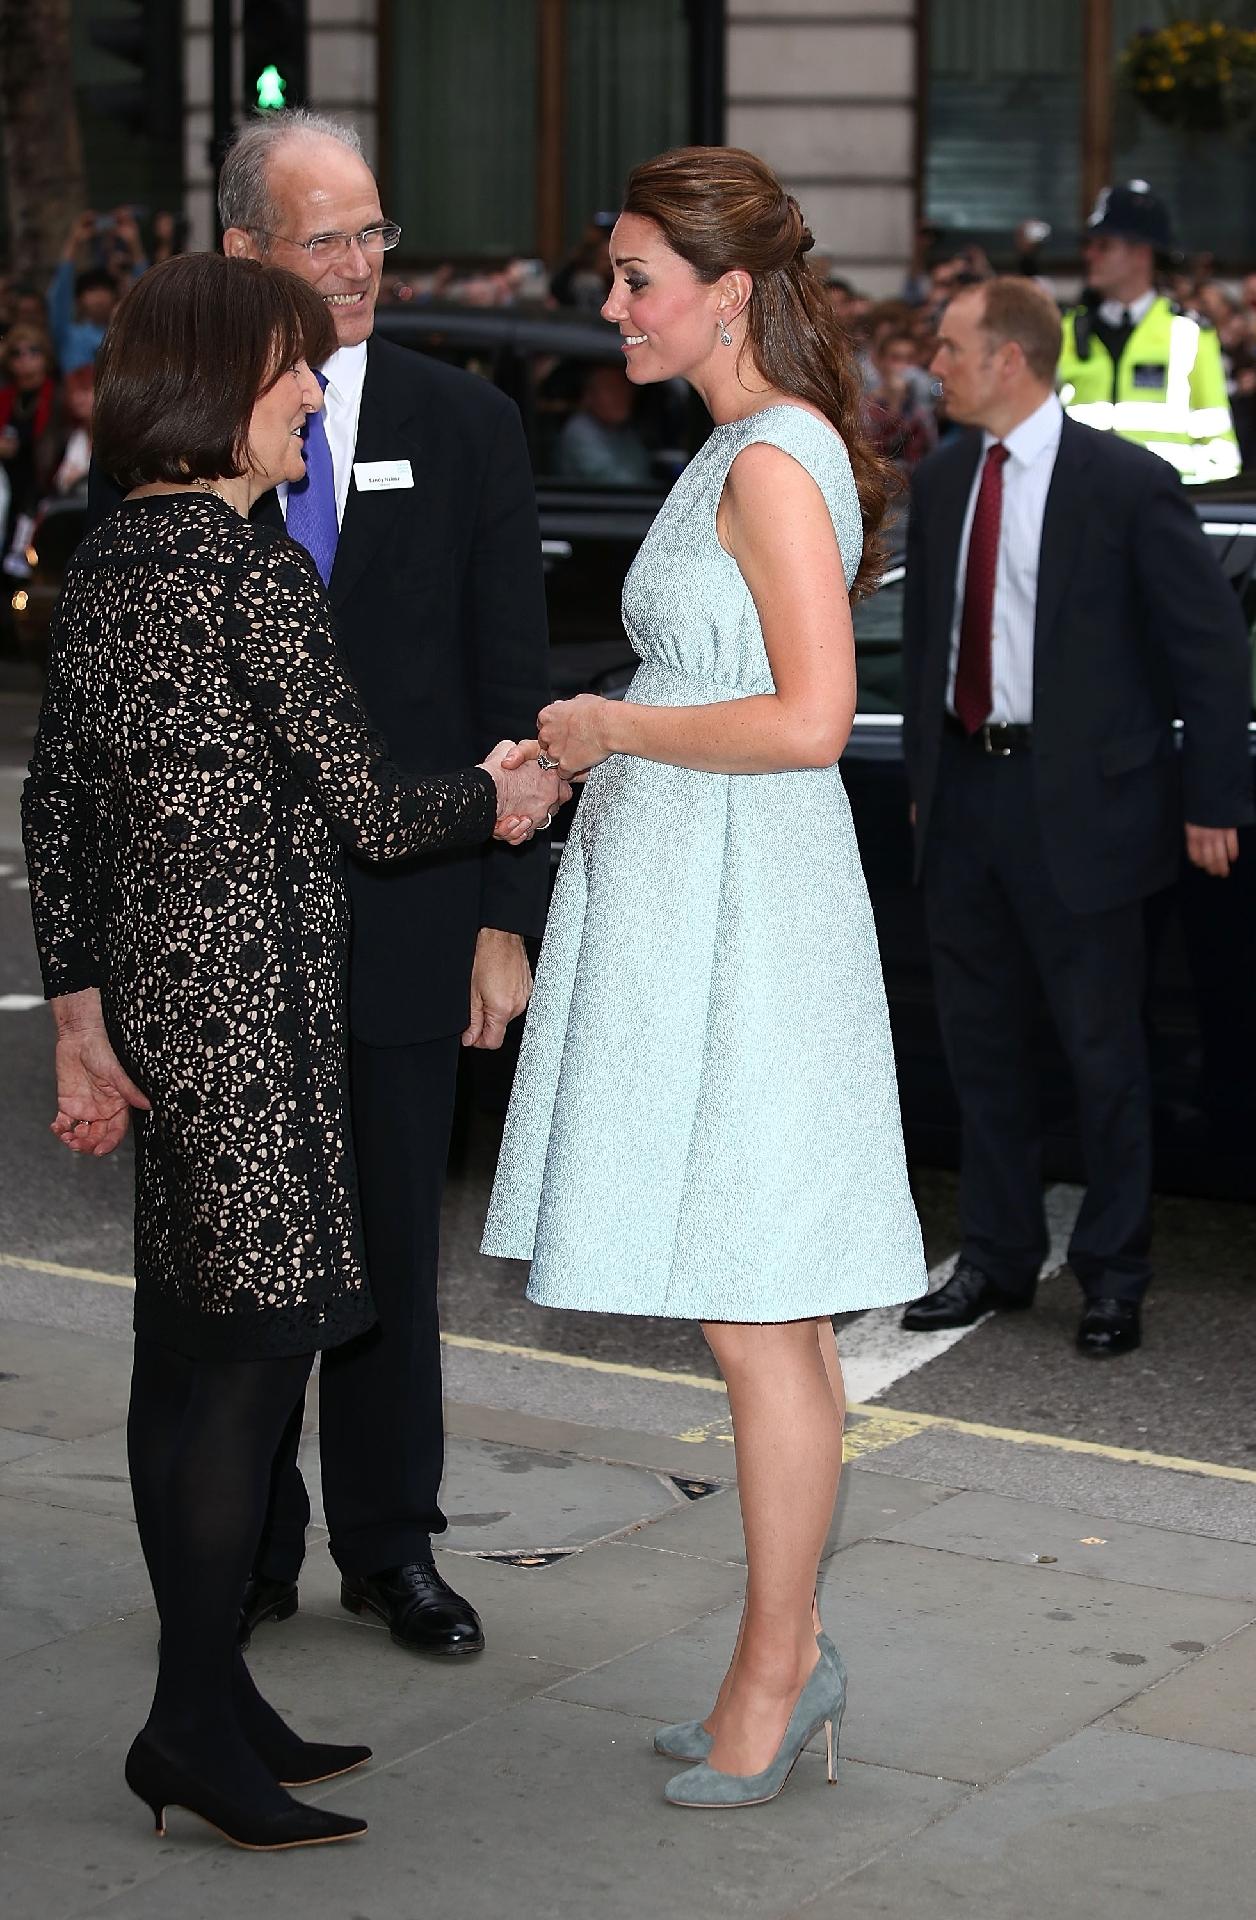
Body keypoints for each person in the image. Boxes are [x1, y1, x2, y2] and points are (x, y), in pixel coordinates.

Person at [21, 252, 560, 1849]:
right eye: (290, 378)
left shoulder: (111, 560)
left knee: (195, 1361)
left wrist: (78, 1014)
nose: (315, 399)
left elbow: (55, 811)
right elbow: (376, 809)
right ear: (216, 391)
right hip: (258, 1031)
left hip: (173, 1023)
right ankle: (190, 1725)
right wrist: (511, 790)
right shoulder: (252, 574)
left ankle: (222, 1699)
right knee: (249, 1393)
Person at [482, 146, 927, 1811]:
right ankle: (778, 1664)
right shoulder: (745, 446)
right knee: (769, 1324)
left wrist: (609, 728)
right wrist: (592, 739)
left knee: (758, 1325)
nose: (611, 310)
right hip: (720, 900)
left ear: (726, 290)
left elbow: (812, 721)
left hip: (747, 914)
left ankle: (776, 1674)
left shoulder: (767, 460)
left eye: (634, 281)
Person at [120, 108, 548, 1662]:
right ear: (246, 253)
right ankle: (242, 1546)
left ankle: (390, 1545)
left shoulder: (468, 421)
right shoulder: (177, 431)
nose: (362, 266)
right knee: (232, 1265)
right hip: (227, 939)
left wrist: (506, 919)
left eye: (374, 232)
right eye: (327, 239)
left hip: (411, 909)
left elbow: (512, 682)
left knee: (385, 1254)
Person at [899, 277, 1252, 1359]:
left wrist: (1211, 801)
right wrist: (923, 778)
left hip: (1087, 814)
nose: (935, 364)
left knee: (1103, 1055)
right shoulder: (947, 474)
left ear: (1008, 359)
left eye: (952, 347)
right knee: (980, 1047)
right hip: (966, 800)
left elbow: (1206, 651)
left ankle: (1110, 1272)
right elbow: (925, 644)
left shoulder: (1123, 483)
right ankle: (996, 1258)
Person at [1058, 182, 1240, 485]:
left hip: (1162, 513)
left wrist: (1196, 515)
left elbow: (1219, 448)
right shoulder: (1065, 331)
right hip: (1083, 511)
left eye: (1104, 246)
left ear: (1141, 254)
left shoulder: (1190, 334)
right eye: (1088, 245)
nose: (1090, 255)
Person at [0, 324, 59, 574]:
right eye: (17, 353)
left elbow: (58, 443)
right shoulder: (5, 397)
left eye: (32, 351)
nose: (25, 359)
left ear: (45, 357)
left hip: (43, 483)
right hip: (7, 481)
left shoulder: (59, 396)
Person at [556, 362, 652, 486]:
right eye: (611, 388)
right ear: (589, 396)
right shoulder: (580, 431)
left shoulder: (624, 431)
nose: (621, 395)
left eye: (623, 387)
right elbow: (620, 485)